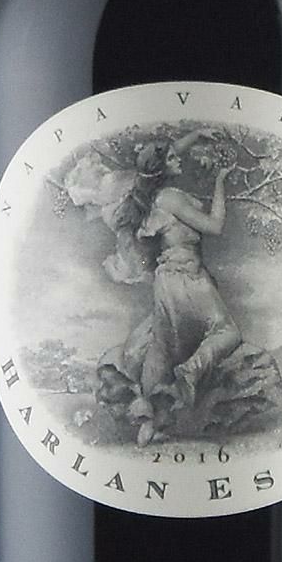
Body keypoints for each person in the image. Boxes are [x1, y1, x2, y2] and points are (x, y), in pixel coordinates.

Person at [98, 129, 243, 445]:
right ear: (162, 167)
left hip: (166, 281)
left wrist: (197, 134)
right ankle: (190, 371)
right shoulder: (171, 198)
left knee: (161, 349)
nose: (181, 158)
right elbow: (215, 226)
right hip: (187, 277)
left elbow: (165, 153)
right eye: (174, 158)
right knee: (227, 333)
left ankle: (148, 422)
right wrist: (221, 181)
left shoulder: (147, 194)